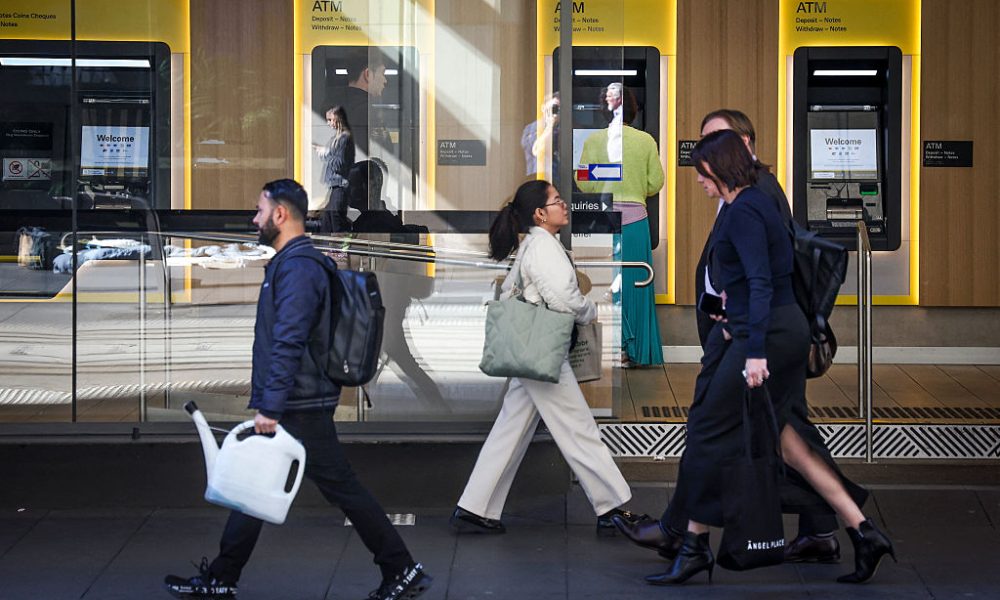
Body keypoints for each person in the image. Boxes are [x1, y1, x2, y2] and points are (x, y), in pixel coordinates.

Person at [614, 109, 868, 565]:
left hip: (754, 334)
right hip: (755, 329)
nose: (705, 156)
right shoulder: (740, 196)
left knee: (713, 427)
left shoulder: (756, 197)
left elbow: (763, 276)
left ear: (744, 145)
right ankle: (848, 529)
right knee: (790, 441)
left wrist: (748, 343)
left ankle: (683, 533)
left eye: (717, 142)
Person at [163, 179, 432, 600]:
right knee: (259, 485)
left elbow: (289, 338)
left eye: (259, 210)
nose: (255, 219)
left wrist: (270, 405)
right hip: (298, 399)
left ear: (281, 214)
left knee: (339, 487)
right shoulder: (294, 262)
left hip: (300, 403)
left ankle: (401, 567)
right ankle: (222, 576)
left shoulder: (299, 268)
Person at [451, 179, 643, 534]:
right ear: (540, 214)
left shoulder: (538, 245)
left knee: (512, 427)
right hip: (542, 349)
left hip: (530, 346)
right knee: (578, 427)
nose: (564, 205)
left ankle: (475, 505)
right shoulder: (544, 248)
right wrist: (591, 311)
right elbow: (564, 299)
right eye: (556, 201)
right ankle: (611, 506)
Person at [577, 84, 664, 367]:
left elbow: (583, 182)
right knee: (637, 283)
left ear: (605, 110)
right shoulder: (646, 141)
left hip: (604, 221)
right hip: (637, 221)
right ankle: (636, 351)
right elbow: (655, 183)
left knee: (606, 285)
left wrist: (605, 179)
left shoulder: (593, 141)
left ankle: (612, 348)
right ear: (634, 110)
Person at [327, 49, 391, 161]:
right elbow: (384, 155)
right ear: (367, 74)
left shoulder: (330, 108)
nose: (385, 80)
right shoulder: (367, 113)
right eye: (382, 73)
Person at [313, 106, 355, 233]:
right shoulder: (336, 138)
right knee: (328, 219)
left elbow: (340, 162)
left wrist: (325, 153)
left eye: (330, 120)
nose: (329, 123)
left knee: (335, 219)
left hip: (340, 185)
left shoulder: (344, 138)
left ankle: (340, 250)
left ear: (338, 119)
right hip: (335, 185)